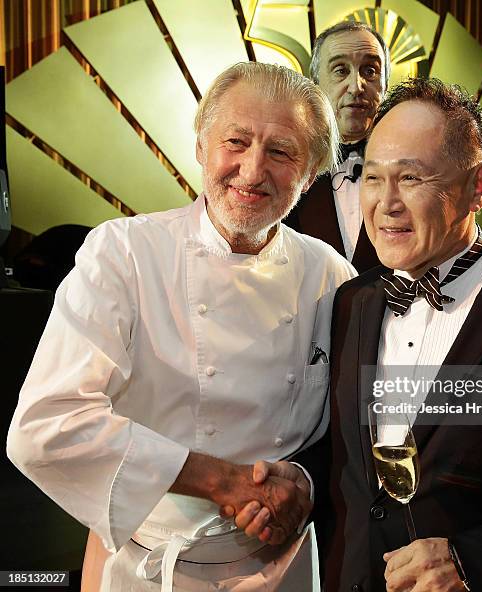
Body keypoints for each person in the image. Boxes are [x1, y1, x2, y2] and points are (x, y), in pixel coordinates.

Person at [240, 77, 482, 591]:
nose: (385, 203)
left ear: (478, 186)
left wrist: (471, 562)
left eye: (411, 178)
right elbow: (348, 453)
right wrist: (298, 480)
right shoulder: (353, 301)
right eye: (372, 178)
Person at [6, 62, 355, 591]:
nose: (252, 169)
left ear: (309, 175)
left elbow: (354, 424)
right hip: (151, 565)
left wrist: (302, 483)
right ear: (200, 145)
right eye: (235, 141)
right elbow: (45, 427)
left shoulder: (330, 272)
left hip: (284, 565)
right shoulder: (123, 253)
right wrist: (225, 483)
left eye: (281, 152)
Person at [284, 21, 390, 273]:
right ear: (315, 85)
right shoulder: (285, 172)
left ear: (386, 84)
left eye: (370, 71)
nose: (356, 87)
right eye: (341, 70)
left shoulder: (420, 173)